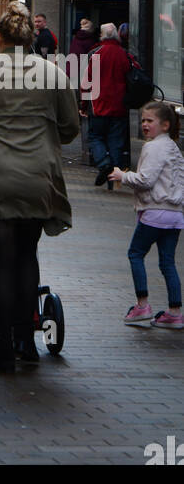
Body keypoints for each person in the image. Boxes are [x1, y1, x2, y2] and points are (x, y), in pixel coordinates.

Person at [0, 1, 81, 373]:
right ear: (31, 37)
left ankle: (4, 347)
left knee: (4, 262)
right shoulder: (52, 73)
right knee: (27, 258)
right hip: (37, 180)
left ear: (0, 37)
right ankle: (28, 343)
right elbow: (70, 130)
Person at [110, 102, 184, 328]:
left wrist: (123, 176)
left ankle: (142, 305)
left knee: (135, 253)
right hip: (175, 215)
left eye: (149, 121)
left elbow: (145, 180)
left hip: (155, 212)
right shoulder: (174, 148)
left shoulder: (153, 148)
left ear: (165, 125)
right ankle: (175, 312)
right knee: (167, 262)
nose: (144, 124)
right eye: (143, 120)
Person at [79, 23, 130, 187]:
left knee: (95, 137)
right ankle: (113, 180)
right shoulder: (125, 55)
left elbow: (86, 82)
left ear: (101, 35)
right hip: (119, 106)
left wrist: (83, 105)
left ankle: (104, 164)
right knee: (116, 142)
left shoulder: (95, 54)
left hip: (98, 105)